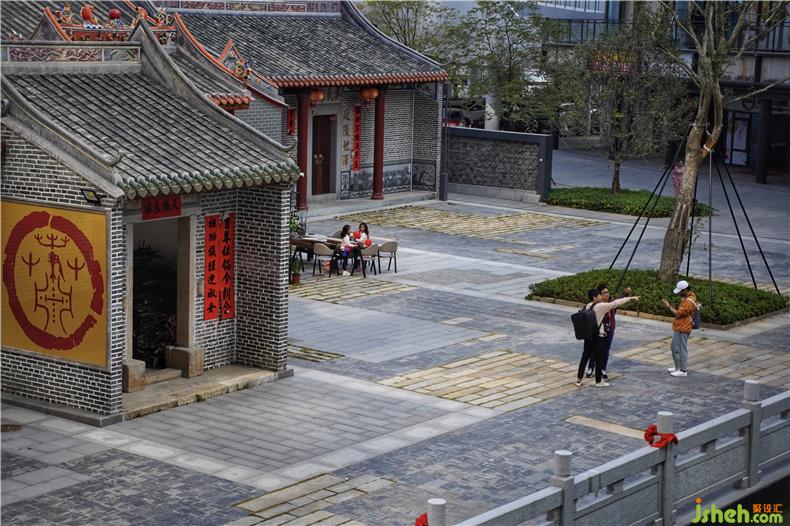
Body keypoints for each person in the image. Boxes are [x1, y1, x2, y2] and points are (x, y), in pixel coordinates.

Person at [576, 288, 639, 388]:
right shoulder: (601, 306)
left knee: (585, 357)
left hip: (588, 336)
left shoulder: (588, 305)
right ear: (594, 297)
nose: (601, 297)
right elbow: (617, 303)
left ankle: (579, 380)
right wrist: (630, 298)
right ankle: (598, 381)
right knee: (599, 359)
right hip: (598, 337)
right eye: (599, 295)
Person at [586, 284, 632, 380]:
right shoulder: (598, 305)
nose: (607, 294)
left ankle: (603, 369)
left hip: (610, 329)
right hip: (600, 330)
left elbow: (618, 301)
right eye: (604, 293)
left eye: (608, 292)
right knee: (595, 350)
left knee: (606, 350)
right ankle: (591, 368)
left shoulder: (611, 301)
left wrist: (626, 294)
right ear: (599, 295)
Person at [661, 280, 698, 377]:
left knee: (680, 348)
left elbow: (678, 314)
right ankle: (678, 367)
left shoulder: (688, 302)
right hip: (680, 326)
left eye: (680, 292)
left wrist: (669, 307)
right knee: (675, 347)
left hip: (684, 327)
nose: (679, 294)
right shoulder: (688, 297)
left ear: (685, 290)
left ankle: (682, 370)